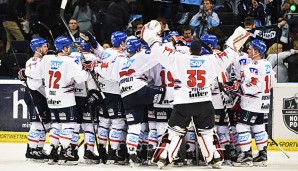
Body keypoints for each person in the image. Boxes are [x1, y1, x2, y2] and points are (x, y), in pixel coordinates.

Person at [141, 20, 249, 169]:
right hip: (204, 102)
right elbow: (229, 53)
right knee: (207, 134)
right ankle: (215, 158)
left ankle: (164, 158)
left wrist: (151, 36)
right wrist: (241, 35)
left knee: (174, 134)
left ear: (189, 50)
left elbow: (158, 51)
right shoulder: (210, 60)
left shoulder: (179, 58)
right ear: (200, 51)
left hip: (183, 104)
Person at [25, 36, 90, 165]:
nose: (70, 48)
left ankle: (54, 151)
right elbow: (80, 78)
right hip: (65, 98)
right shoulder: (72, 61)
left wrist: (25, 73)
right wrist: (86, 69)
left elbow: (35, 72)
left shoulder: (47, 59)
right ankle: (65, 152)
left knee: (56, 125)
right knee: (68, 125)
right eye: (69, 46)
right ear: (65, 48)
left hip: (51, 98)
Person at [227, 39, 276, 167]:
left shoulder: (252, 66)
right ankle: (262, 155)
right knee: (259, 127)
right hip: (264, 102)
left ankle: (246, 156)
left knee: (242, 127)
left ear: (256, 51)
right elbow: (273, 82)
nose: (248, 50)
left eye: (250, 48)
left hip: (251, 103)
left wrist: (238, 88)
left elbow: (253, 86)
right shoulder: (267, 64)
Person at [22, 37, 51, 162]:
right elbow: (36, 77)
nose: (47, 48)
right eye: (44, 46)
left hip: (43, 96)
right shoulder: (32, 61)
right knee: (37, 124)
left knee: (44, 124)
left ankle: (38, 149)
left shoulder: (43, 60)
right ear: (38, 48)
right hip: (34, 95)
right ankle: (31, 150)